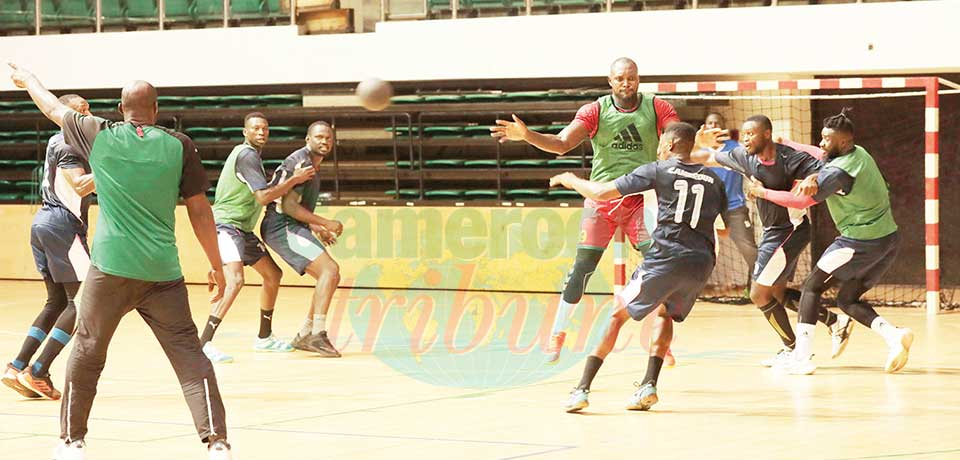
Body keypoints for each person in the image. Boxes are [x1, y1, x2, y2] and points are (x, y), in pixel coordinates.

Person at [9, 63, 233, 460]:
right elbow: (200, 211)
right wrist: (215, 263)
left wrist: (29, 80)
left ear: (119, 107)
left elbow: (52, 109)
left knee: (86, 351)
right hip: (163, 273)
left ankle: (72, 442)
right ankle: (217, 443)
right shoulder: (179, 144)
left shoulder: (99, 134)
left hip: (110, 269)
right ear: (157, 109)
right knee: (190, 357)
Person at [491, 57, 680, 364]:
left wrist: (698, 143)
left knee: (660, 267)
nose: (626, 83)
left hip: (639, 199)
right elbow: (561, 143)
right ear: (610, 81)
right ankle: (557, 334)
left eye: (631, 78)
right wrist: (527, 136)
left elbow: (678, 138)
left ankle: (662, 341)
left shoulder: (657, 107)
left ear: (639, 79)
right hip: (601, 200)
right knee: (582, 269)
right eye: (620, 78)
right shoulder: (595, 110)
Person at [552, 122, 727, 412]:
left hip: (667, 256)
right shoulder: (714, 180)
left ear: (670, 145)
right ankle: (648, 385)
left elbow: (601, 193)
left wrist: (571, 180)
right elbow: (724, 231)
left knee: (616, 315)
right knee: (664, 313)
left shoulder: (657, 170)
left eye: (660, 143)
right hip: (702, 262)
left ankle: (581, 389)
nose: (657, 148)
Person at [747, 109, 913, 374]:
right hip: (888, 240)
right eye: (822, 138)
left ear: (843, 142)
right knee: (848, 300)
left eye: (827, 139)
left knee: (811, 288)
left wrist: (762, 192)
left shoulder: (837, 174)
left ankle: (801, 357)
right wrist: (789, 144)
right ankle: (894, 336)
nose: (822, 143)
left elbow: (801, 201)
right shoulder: (858, 152)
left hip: (859, 242)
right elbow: (819, 154)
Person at [692, 115, 853, 367]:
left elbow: (826, 164)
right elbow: (700, 158)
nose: (746, 139)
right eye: (743, 134)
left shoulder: (790, 158)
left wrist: (813, 177)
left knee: (758, 294)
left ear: (767, 134)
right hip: (774, 231)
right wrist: (698, 144)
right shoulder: (744, 157)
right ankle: (834, 322)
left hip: (788, 231)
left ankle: (795, 350)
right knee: (776, 292)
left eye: (751, 134)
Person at [202, 112, 316, 363]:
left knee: (273, 275)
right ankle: (204, 343)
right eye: (255, 129)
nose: (261, 132)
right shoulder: (246, 155)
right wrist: (295, 179)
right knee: (236, 281)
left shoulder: (253, 158)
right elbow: (263, 197)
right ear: (245, 132)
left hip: (242, 229)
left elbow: (268, 191)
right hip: (225, 225)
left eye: (265, 128)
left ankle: (264, 337)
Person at [2, 94, 96, 400]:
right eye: (81, 110)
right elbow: (79, 184)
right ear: (64, 113)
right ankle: (38, 371)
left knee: (56, 302)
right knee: (84, 303)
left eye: (88, 109)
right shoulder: (69, 142)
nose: (88, 114)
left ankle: (17, 366)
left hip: (43, 222)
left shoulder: (59, 139)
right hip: (62, 225)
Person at [260, 121, 343, 357]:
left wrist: (316, 227)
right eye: (319, 137)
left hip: (290, 224)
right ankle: (317, 334)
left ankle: (307, 334)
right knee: (330, 270)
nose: (324, 141)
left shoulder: (311, 164)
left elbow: (295, 207)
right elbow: (288, 207)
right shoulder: (303, 162)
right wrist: (326, 223)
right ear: (308, 139)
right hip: (281, 226)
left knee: (328, 276)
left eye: (328, 138)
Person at [703, 112, 758, 289]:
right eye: (710, 123)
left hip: (734, 207)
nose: (713, 126)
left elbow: (751, 169)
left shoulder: (736, 148)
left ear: (723, 126)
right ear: (705, 127)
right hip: (707, 210)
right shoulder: (698, 151)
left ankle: (759, 289)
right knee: (695, 251)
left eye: (717, 122)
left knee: (749, 249)